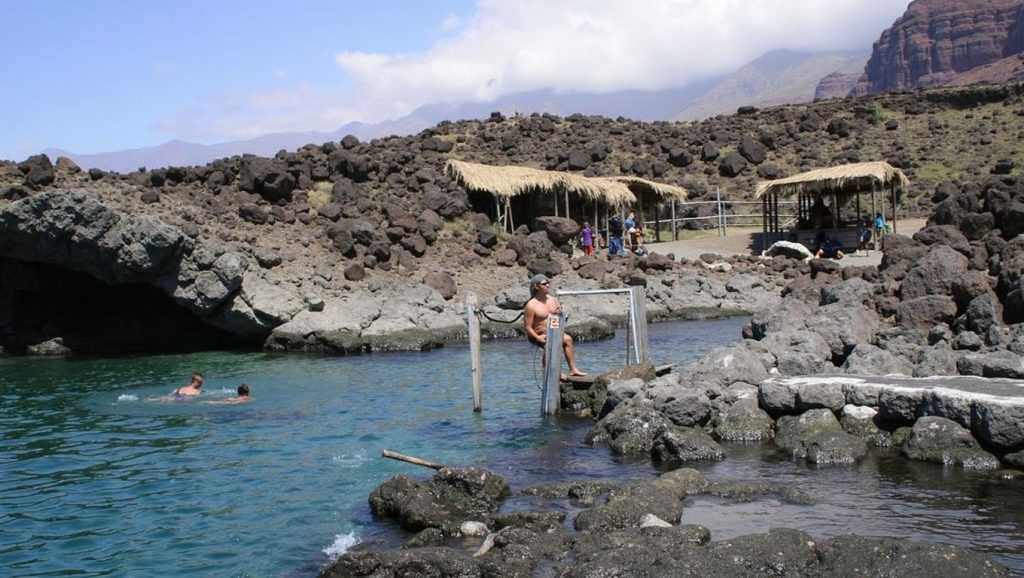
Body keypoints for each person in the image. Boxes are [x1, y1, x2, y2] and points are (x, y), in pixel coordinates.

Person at [523, 274, 586, 378]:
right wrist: (537, 337)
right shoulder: (531, 305)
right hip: (537, 334)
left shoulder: (553, 300)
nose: (547, 285)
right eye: (544, 284)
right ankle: (553, 372)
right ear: (536, 286)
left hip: (553, 331)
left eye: (548, 283)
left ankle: (573, 369)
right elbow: (527, 327)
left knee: (568, 340)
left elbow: (559, 315)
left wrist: (560, 312)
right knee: (550, 344)